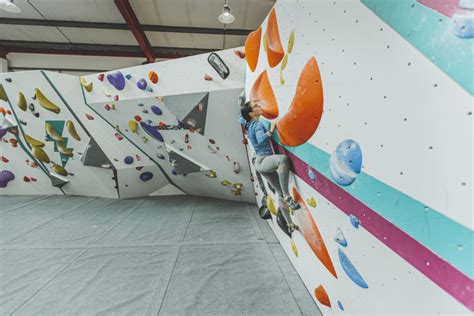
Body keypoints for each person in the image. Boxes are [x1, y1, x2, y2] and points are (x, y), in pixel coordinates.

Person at [239, 100, 300, 233]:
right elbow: (261, 139)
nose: (259, 106)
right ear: (251, 113)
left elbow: (240, 118)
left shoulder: (248, 123)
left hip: (261, 163)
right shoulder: (257, 124)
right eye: (256, 106)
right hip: (263, 160)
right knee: (282, 160)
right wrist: (271, 129)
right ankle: (287, 195)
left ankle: (289, 224)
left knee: (278, 193)